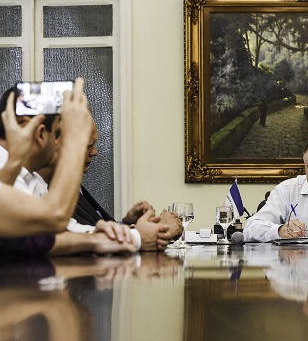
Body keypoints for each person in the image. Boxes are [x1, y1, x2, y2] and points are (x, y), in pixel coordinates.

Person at [0, 78, 138, 255]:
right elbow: (54, 217)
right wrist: (76, 137)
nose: (57, 142)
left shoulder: (27, 175)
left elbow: (63, 228)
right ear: (41, 134)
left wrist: (98, 232)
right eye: (57, 133)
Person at [68, 117, 182, 248]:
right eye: (88, 145)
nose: (95, 152)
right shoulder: (50, 191)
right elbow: (78, 240)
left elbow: (91, 230)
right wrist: (160, 229)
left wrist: (125, 223)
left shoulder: (74, 185)